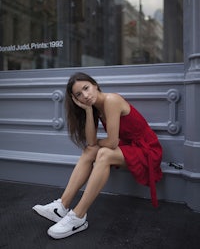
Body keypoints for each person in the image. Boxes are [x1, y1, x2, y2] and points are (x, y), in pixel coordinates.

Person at [33, 72, 163, 239]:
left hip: (147, 149)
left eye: (86, 88)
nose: (85, 96)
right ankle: (61, 206)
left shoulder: (111, 100)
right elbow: (92, 142)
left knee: (102, 153)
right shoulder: (94, 107)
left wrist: (95, 145)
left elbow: (112, 143)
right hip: (129, 146)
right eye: (79, 94)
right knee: (90, 150)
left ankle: (78, 216)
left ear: (95, 85)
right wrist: (88, 111)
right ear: (75, 99)